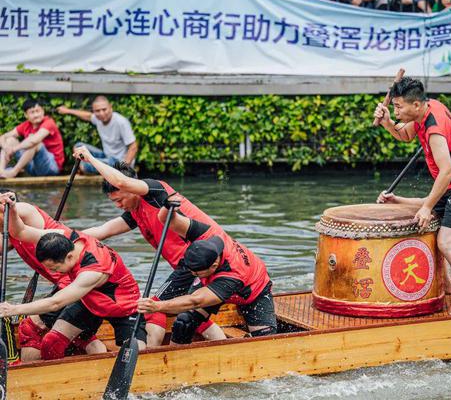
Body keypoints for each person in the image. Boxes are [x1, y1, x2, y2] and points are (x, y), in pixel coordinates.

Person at [75, 146, 225, 346]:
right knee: (188, 312)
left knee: (153, 307)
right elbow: (104, 230)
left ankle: (149, 357)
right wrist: (63, 236)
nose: (118, 205)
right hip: (188, 267)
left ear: (132, 188)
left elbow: (120, 181)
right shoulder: (135, 211)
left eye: (120, 199)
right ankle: (220, 344)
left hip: (202, 258)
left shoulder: (155, 190)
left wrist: (91, 158)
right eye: (114, 202)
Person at [374, 77, 451, 315]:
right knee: (432, 231)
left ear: (415, 105)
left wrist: (426, 207)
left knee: (447, 242)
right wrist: (387, 123)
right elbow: (404, 135)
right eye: (394, 106)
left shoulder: (434, 128)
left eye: (399, 107)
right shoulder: (426, 108)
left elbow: (447, 172)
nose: (396, 111)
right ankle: (447, 287)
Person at [0, 193, 146, 360]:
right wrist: (11, 209)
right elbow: (21, 231)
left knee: (136, 357)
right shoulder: (63, 236)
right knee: (51, 342)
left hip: (122, 306)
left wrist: (13, 309)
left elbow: (56, 303)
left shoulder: (93, 271)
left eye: (56, 268)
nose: (55, 273)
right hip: (89, 302)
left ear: (69, 257)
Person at [137, 198, 276, 343]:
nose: (192, 275)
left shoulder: (231, 275)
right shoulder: (205, 234)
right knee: (184, 321)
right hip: (218, 282)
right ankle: (175, 358)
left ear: (214, 266)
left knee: (265, 340)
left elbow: (195, 300)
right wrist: (167, 206)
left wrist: (158, 306)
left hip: (254, 291)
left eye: (196, 273)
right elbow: (166, 219)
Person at [57, 96, 138, 175]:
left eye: (104, 109)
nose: (101, 113)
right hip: (106, 156)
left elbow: (133, 146)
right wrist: (67, 111)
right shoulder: (98, 119)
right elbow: (88, 116)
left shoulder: (121, 122)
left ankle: (88, 167)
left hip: (118, 162)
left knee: (84, 166)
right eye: (97, 111)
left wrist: (124, 168)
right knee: (78, 147)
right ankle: (95, 166)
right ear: (94, 111)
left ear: (110, 107)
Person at [0, 99, 64, 179]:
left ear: (43, 111)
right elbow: (3, 137)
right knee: (9, 140)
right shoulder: (26, 125)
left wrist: (13, 149)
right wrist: (6, 147)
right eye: (32, 112)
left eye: (38, 111)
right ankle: (1, 172)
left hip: (51, 168)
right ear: (26, 115)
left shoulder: (49, 123)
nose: (36, 115)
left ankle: (13, 172)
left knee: (35, 143)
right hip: (32, 166)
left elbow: (34, 140)